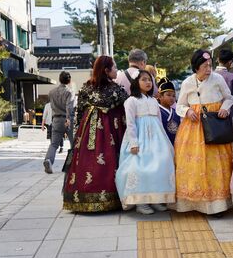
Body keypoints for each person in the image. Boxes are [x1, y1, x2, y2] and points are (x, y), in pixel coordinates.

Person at [173, 49, 233, 215]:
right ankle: (195, 202)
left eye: (210, 65)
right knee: (193, 163)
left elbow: (230, 98)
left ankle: (218, 205)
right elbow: (179, 105)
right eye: (205, 66)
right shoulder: (187, 82)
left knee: (215, 164)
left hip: (215, 125)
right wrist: (187, 111)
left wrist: (224, 109)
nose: (208, 69)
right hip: (194, 127)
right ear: (196, 67)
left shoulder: (218, 79)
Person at [63, 56, 128, 212]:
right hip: (111, 131)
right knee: (110, 159)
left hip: (87, 133)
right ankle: (111, 198)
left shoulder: (86, 87)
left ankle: (83, 197)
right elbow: (126, 108)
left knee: (86, 160)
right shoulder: (116, 89)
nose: (117, 70)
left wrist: (78, 136)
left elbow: (79, 113)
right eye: (114, 67)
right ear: (106, 70)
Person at [115, 70, 175, 215]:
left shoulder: (154, 100)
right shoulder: (131, 101)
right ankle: (141, 202)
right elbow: (130, 123)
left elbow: (159, 122)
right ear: (136, 82)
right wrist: (134, 143)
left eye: (150, 80)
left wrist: (165, 142)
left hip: (157, 138)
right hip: (140, 138)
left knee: (161, 165)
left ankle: (155, 199)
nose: (148, 82)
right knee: (140, 167)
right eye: (144, 79)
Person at [43, 71, 75, 174]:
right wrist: (68, 119)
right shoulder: (69, 92)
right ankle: (74, 165)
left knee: (54, 144)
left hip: (56, 119)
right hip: (67, 120)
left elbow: (52, 106)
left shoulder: (51, 92)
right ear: (69, 80)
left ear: (59, 79)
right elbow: (69, 107)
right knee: (74, 144)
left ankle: (48, 160)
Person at [156, 77, 181, 144]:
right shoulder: (157, 111)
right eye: (168, 95)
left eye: (173, 96)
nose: (172, 98)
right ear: (160, 96)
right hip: (162, 144)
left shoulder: (176, 112)